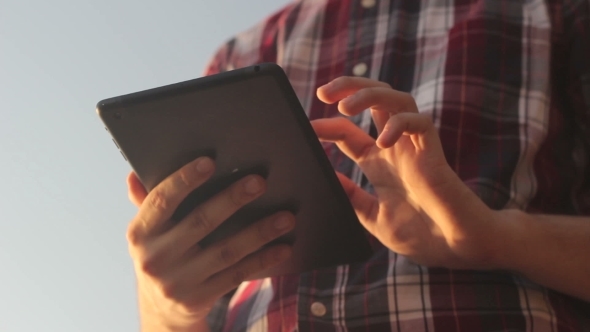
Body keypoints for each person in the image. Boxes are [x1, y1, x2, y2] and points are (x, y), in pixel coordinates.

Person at [125, 0, 590, 331]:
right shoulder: (237, 58)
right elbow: (189, 306)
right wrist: (167, 313)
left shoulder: (556, 13)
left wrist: (496, 237)